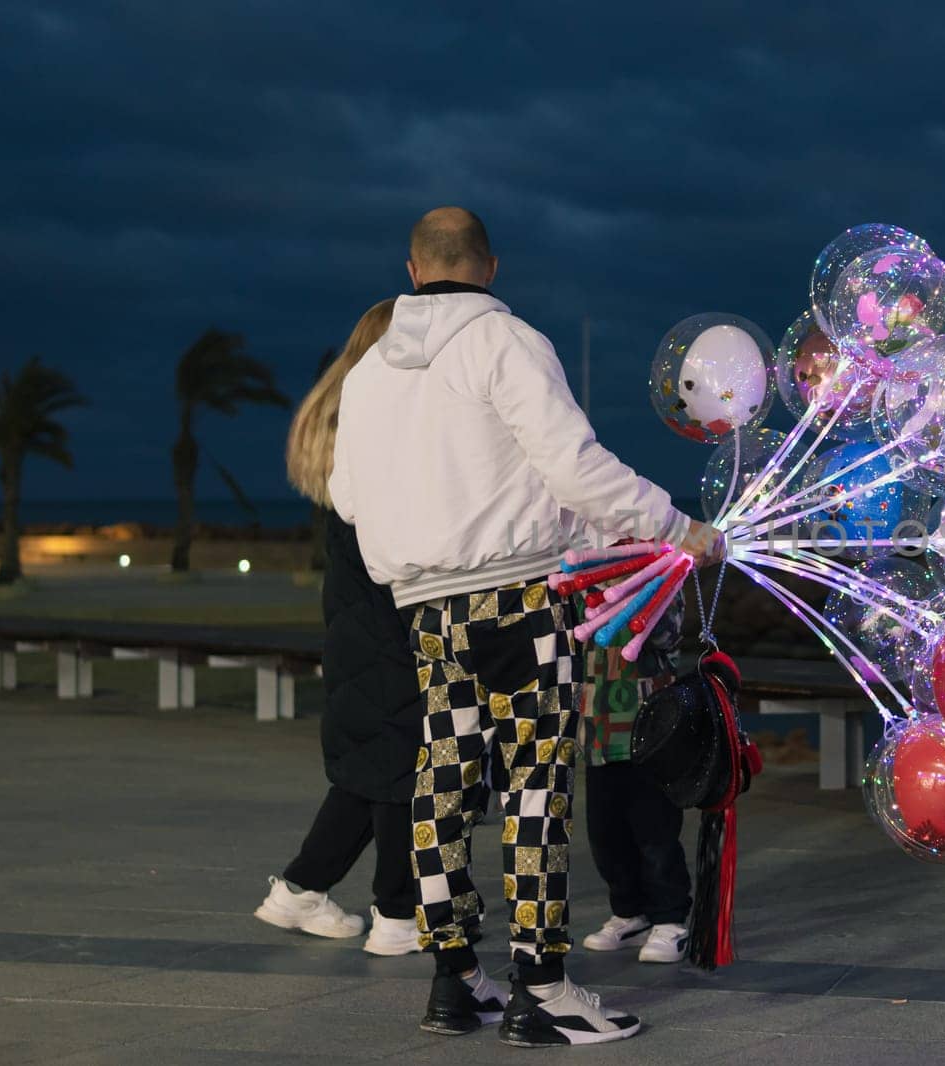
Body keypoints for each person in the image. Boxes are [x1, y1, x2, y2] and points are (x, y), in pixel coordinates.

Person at [330, 207, 723, 1048]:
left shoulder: (365, 375)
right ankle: (540, 983)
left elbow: (350, 497)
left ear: (410, 270)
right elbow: (572, 465)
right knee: (533, 789)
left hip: (426, 607)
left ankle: (453, 980)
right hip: (516, 601)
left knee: (442, 781)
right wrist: (673, 525)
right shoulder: (506, 343)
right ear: (491, 267)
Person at [253, 298, 424, 958]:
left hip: (357, 629)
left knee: (369, 769)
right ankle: (397, 916)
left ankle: (297, 892)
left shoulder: (344, 425)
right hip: (386, 628)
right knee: (399, 770)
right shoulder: (380, 437)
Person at [579, 584, 692, 964]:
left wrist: (634, 595)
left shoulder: (661, 576)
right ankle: (629, 912)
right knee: (606, 833)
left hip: (650, 728)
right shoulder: (581, 582)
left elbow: (669, 634)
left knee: (655, 830)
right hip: (598, 728)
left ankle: (670, 918)